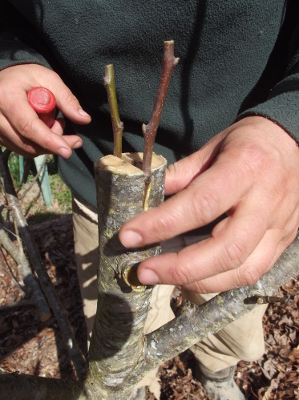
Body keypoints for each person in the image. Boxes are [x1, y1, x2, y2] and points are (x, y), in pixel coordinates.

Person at [0, 1, 299, 399]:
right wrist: (9, 55)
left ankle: (218, 370)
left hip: (246, 187)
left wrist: (290, 122)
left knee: (230, 318)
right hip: (100, 189)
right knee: (118, 328)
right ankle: (132, 385)